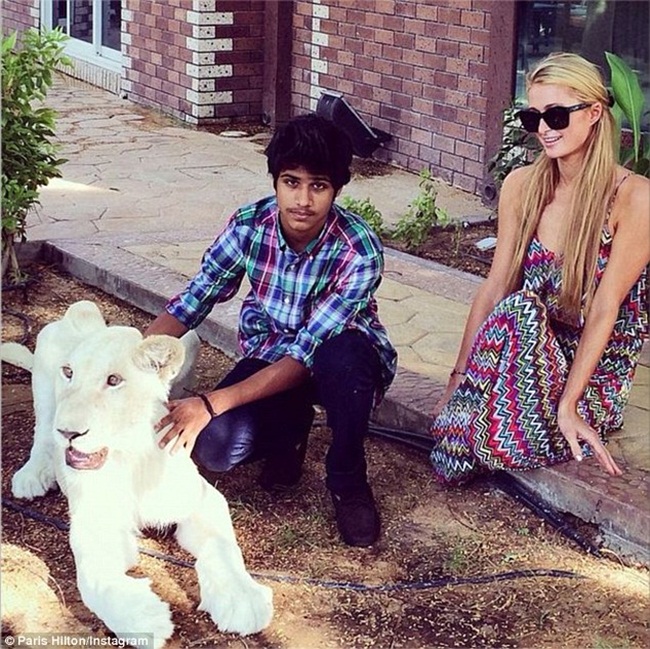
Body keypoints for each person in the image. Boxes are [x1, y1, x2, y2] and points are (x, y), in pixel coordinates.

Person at [145, 113, 397, 547]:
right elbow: (195, 299)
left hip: (341, 360)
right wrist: (131, 363)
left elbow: (307, 352)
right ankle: (289, 435)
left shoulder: (359, 248)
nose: (303, 200)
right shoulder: (249, 225)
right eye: (291, 182)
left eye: (318, 185)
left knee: (343, 359)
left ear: (337, 189)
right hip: (271, 354)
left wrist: (208, 402)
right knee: (216, 444)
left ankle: (348, 478)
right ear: (275, 181)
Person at [430, 52, 649, 485]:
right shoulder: (523, 186)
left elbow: (605, 307)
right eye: (533, 118)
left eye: (556, 115)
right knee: (516, 310)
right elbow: (495, 287)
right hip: (525, 351)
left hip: (592, 372)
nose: (544, 129)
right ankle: (482, 419)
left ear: (593, 113)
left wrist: (569, 403)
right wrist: (457, 379)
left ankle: (482, 428)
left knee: (518, 320)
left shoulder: (635, 198)